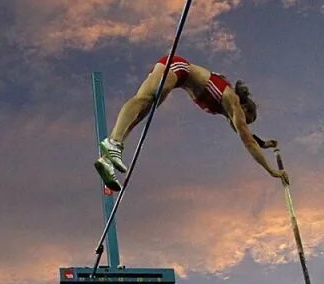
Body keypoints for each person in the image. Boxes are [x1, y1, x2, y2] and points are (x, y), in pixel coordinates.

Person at [93, 55, 287, 191]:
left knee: (139, 115)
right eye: (247, 119)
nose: (243, 124)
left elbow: (247, 136)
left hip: (177, 76)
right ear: (244, 108)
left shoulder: (229, 110)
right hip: (179, 68)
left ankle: (107, 159)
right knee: (145, 99)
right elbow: (246, 139)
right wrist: (271, 171)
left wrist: (264, 144)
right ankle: (114, 143)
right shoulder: (232, 101)